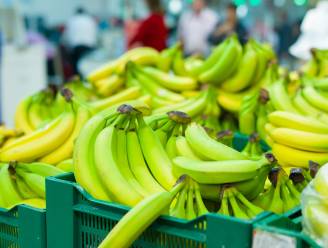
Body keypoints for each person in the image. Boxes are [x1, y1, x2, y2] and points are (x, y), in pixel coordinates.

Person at [65, 7, 98, 75]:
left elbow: (67, 36)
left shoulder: (72, 20)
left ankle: (78, 79)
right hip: (89, 45)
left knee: (77, 66)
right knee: (89, 66)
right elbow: (96, 33)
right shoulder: (90, 20)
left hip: (76, 47)